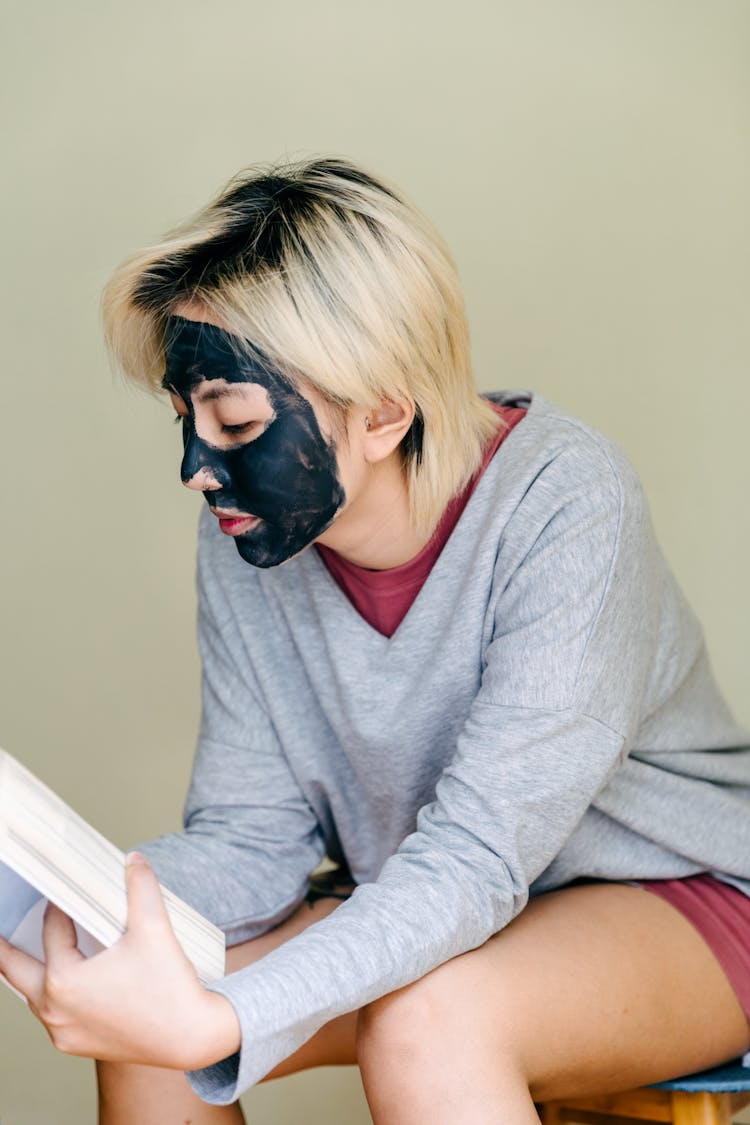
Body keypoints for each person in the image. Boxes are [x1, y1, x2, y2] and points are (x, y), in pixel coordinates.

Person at [1, 156, 748, 1125]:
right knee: (148, 1027)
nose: (194, 468)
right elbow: (252, 842)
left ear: (386, 410)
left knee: (425, 1021)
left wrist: (222, 1018)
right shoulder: (246, 538)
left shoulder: (569, 507)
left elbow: (477, 859)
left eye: (231, 421)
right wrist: (93, 902)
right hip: (436, 898)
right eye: (184, 421)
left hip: (675, 897)